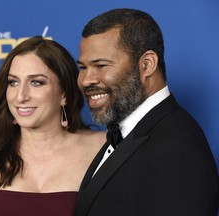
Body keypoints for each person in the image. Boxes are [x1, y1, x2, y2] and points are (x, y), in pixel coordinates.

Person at [75, 8, 219, 216]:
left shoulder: (176, 150)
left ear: (147, 64)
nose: (86, 80)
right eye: (83, 67)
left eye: (101, 65)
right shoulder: (131, 130)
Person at [0, 36, 106, 216]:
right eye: (13, 82)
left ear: (63, 93)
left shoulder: (104, 148)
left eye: (36, 82)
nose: (20, 96)